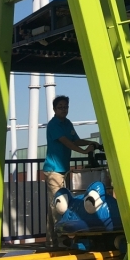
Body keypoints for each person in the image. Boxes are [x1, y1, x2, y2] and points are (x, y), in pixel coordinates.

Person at [42, 95, 99, 246]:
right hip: (54, 170)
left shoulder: (67, 123)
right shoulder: (53, 125)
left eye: (65, 107)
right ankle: (62, 240)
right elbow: (67, 143)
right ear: (54, 109)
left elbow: (75, 139)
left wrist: (90, 142)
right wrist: (84, 152)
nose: (63, 110)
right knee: (59, 205)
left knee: (54, 204)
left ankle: (51, 241)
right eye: (60, 107)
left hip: (64, 170)